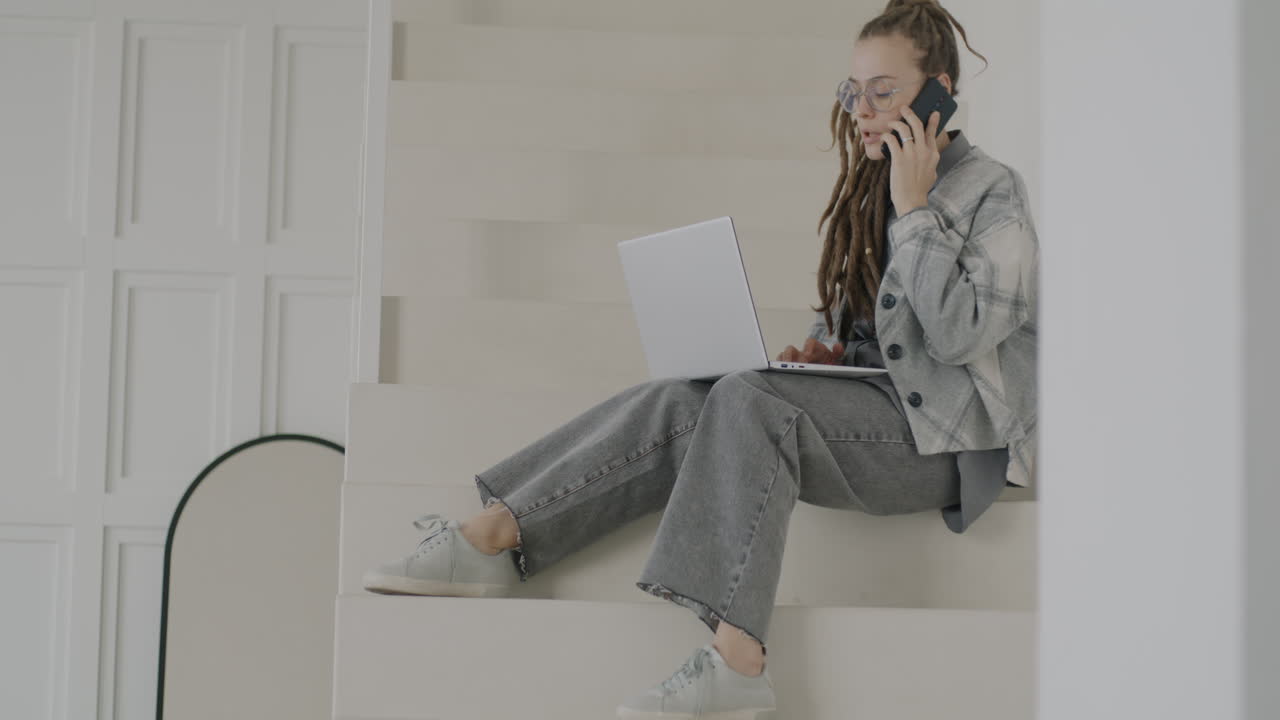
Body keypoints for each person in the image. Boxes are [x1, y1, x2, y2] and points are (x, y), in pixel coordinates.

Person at [361, 0, 1038, 716]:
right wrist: (822, 352)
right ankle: (495, 535)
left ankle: (738, 664)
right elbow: (866, 328)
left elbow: (964, 334)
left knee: (749, 399)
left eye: (883, 92)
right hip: (879, 411)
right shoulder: (874, 191)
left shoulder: (991, 191)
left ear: (939, 92)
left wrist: (919, 207)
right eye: (853, 90)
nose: (862, 111)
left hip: (953, 443)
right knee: (687, 396)